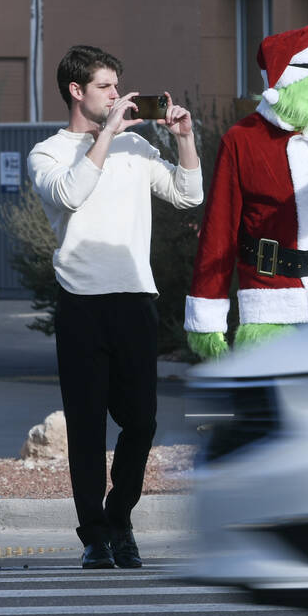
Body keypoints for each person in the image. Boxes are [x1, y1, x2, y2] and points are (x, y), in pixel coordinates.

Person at [28, 45, 203, 569]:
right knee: (85, 427)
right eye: (106, 86)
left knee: (142, 420)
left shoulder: (136, 146)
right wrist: (106, 135)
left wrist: (185, 140)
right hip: (81, 302)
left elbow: (187, 194)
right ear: (77, 91)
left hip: (134, 297)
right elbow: (71, 194)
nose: (117, 94)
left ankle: (120, 514)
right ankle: (96, 536)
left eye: (117, 85)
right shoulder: (50, 152)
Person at [184, 25, 308, 359]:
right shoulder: (242, 139)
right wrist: (208, 320)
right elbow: (219, 230)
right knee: (270, 407)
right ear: (295, 80)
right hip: (271, 305)